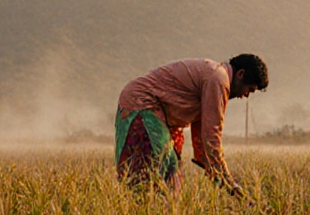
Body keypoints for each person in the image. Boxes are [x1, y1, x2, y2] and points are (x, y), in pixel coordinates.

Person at [115, 54, 268, 194]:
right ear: (240, 74)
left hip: (154, 110)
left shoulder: (214, 78)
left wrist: (217, 174)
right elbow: (211, 134)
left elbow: (201, 131)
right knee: (156, 169)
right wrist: (227, 179)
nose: (246, 95)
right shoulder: (218, 79)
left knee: (167, 173)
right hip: (141, 103)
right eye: (250, 89)